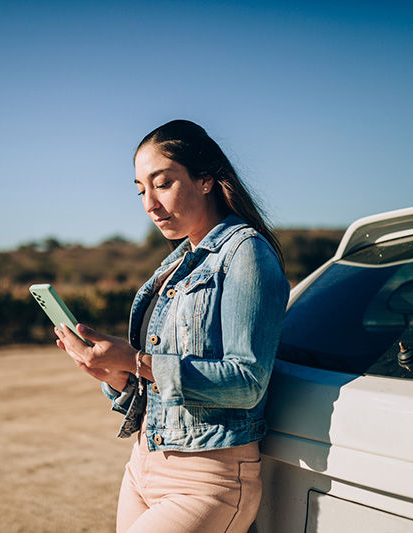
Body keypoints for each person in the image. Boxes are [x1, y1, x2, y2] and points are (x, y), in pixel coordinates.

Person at [54, 119, 289, 533]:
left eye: (162, 184)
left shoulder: (246, 254)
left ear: (206, 179)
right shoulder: (176, 265)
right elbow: (157, 381)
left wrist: (138, 361)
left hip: (207, 479)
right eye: (141, 189)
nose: (149, 204)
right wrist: (118, 375)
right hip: (143, 464)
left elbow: (248, 380)